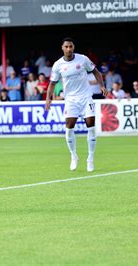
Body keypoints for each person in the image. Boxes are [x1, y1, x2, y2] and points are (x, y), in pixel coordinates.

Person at [45, 37, 107, 172]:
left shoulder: (83, 59)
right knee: (69, 127)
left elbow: (96, 72)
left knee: (91, 125)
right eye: (66, 47)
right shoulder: (58, 65)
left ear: (74, 47)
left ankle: (90, 159)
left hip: (86, 97)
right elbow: (52, 83)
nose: (69, 49)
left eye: (71, 46)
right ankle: (74, 156)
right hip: (71, 100)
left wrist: (102, 86)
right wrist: (48, 98)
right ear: (62, 48)